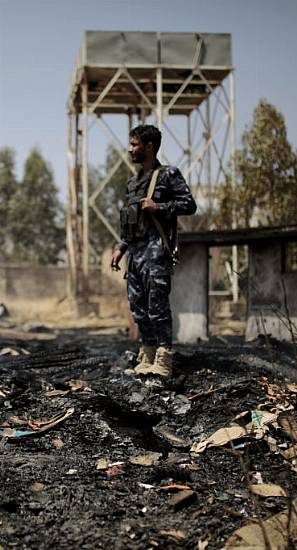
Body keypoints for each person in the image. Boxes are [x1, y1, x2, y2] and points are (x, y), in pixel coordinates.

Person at [110, 125, 196, 377]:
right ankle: (146, 356)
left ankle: (164, 358)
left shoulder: (169, 174)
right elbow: (131, 222)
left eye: (135, 145)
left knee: (157, 307)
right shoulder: (133, 183)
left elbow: (189, 204)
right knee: (138, 308)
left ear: (149, 147)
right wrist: (121, 247)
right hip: (135, 256)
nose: (130, 149)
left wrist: (159, 206)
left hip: (157, 253)